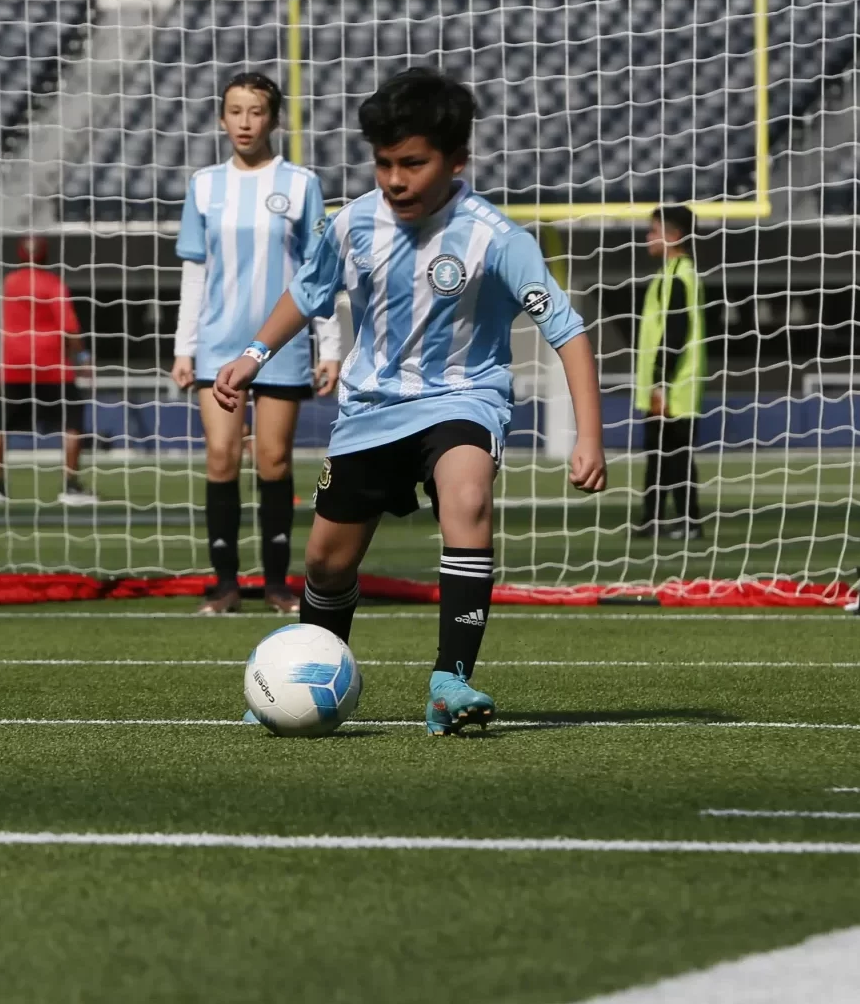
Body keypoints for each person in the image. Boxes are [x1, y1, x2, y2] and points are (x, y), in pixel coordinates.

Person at [213, 67, 606, 734]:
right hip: (370, 410)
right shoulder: (353, 225)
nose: (396, 179)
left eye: (414, 164)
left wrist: (590, 437)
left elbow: (566, 331)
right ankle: (308, 667)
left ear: (456, 161)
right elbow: (307, 294)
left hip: (462, 399)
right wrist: (253, 355)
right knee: (325, 562)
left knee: (468, 495)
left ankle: (451, 681)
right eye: (385, 163)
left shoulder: (497, 239)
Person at [172, 71, 341, 616]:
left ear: (273, 118)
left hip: (283, 347)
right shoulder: (203, 185)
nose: (245, 122)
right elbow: (194, 274)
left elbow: (320, 272)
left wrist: (330, 347)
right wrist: (184, 347)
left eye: (256, 111)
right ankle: (223, 586)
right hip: (218, 346)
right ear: (222, 118)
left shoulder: (299, 184)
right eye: (235, 111)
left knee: (273, 460)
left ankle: (275, 584)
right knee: (221, 456)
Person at [0, 235, 96, 506]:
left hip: (14, 364)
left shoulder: (10, 283)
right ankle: (70, 487)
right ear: (47, 255)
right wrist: (82, 358)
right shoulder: (53, 284)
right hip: (52, 366)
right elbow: (70, 327)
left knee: (0, 426)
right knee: (72, 423)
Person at [633, 204, 706, 541]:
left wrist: (661, 384)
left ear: (673, 236)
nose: (647, 237)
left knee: (673, 458)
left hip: (675, 388)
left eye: (653, 230)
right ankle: (653, 520)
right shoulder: (677, 274)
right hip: (675, 386)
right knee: (662, 457)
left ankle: (687, 521)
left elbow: (674, 334)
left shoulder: (677, 277)